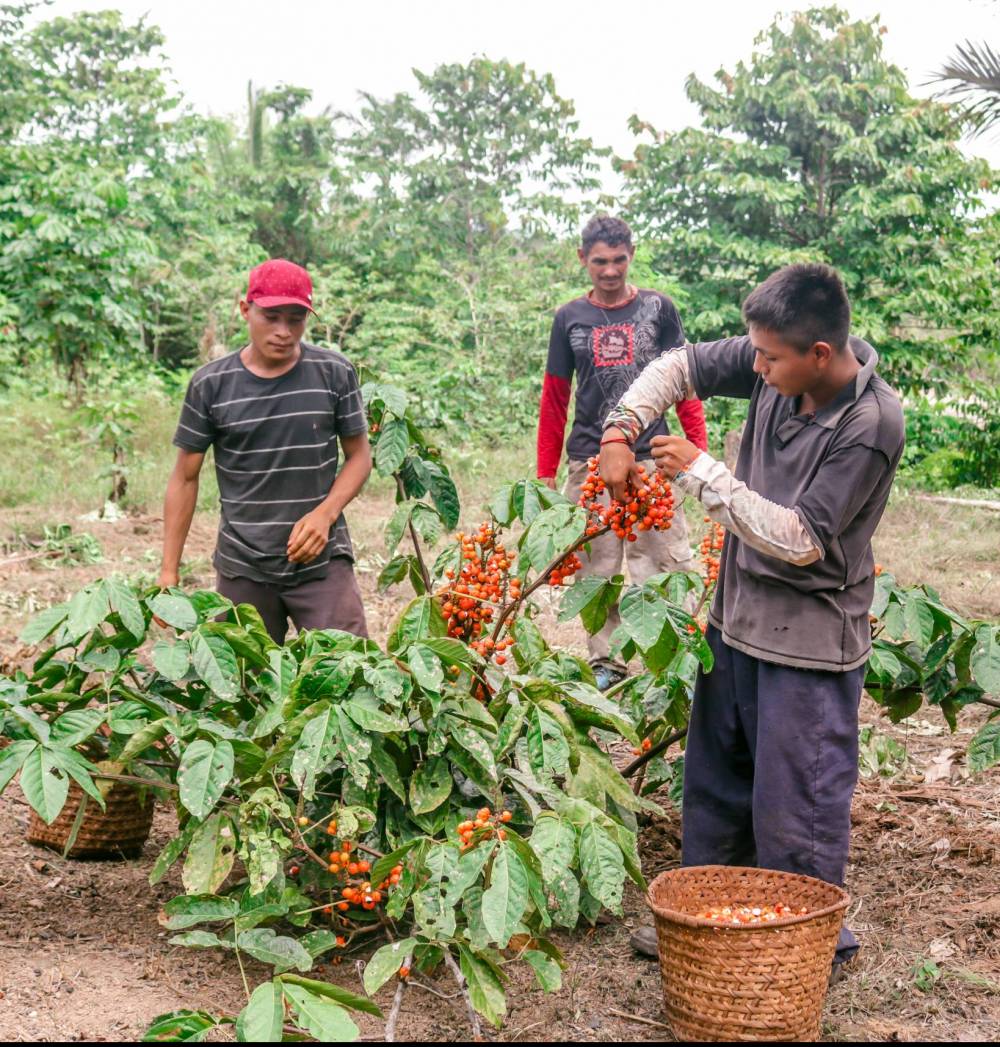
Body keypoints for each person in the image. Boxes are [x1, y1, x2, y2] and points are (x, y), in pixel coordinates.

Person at [600, 263, 904, 973]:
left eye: (769, 359)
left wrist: (700, 470)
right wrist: (621, 428)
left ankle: (802, 947)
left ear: (819, 354)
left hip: (809, 643)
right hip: (735, 622)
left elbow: (801, 539)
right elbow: (679, 367)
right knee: (717, 788)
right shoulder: (777, 358)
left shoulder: (870, 422)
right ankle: (708, 926)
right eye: (755, 353)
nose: (756, 368)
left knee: (796, 805)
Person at [159, 258, 372, 643]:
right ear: (245, 310)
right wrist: (168, 571)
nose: (283, 332)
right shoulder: (211, 385)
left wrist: (325, 515)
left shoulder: (334, 372)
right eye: (271, 317)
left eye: (296, 320)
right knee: (243, 677)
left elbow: (359, 456)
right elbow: (185, 478)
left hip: (322, 562)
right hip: (243, 566)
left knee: (346, 668)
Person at [537, 214, 708, 690]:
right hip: (590, 460)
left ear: (631, 255)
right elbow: (555, 398)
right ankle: (606, 663)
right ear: (582, 259)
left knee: (664, 560)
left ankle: (672, 658)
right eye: (599, 261)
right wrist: (545, 471)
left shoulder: (658, 308)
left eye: (618, 260)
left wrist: (697, 450)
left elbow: (684, 383)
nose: (610, 270)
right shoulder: (569, 318)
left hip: (653, 455)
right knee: (597, 565)